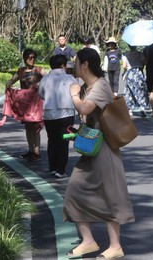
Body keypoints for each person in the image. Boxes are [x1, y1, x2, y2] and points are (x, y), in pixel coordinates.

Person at [64, 48, 134, 259]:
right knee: (74, 193)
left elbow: (85, 109)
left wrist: (74, 95)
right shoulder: (88, 86)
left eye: (76, 62)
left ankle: (115, 246)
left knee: (110, 195)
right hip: (90, 147)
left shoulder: (100, 86)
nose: (73, 66)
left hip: (104, 149)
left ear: (85, 65)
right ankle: (88, 241)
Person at [38, 54, 77, 178]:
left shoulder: (45, 78)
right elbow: (76, 94)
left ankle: (53, 168)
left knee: (52, 140)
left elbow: (40, 94)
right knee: (64, 141)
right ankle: (61, 170)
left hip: (49, 114)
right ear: (62, 66)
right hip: (67, 114)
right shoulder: (70, 79)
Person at [5, 48, 46, 161]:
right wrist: (8, 84)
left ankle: (37, 151)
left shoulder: (39, 69)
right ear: (25, 59)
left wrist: (40, 83)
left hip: (36, 103)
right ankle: (31, 150)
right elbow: (11, 80)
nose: (32, 60)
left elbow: (48, 78)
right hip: (25, 104)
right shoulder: (21, 71)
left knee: (36, 126)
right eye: (30, 58)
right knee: (28, 127)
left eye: (33, 58)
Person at [122, 45, 148, 117]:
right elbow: (145, 62)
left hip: (130, 73)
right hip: (138, 72)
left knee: (129, 91)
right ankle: (143, 108)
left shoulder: (125, 55)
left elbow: (124, 66)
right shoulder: (140, 54)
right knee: (141, 90)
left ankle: (130, 109)